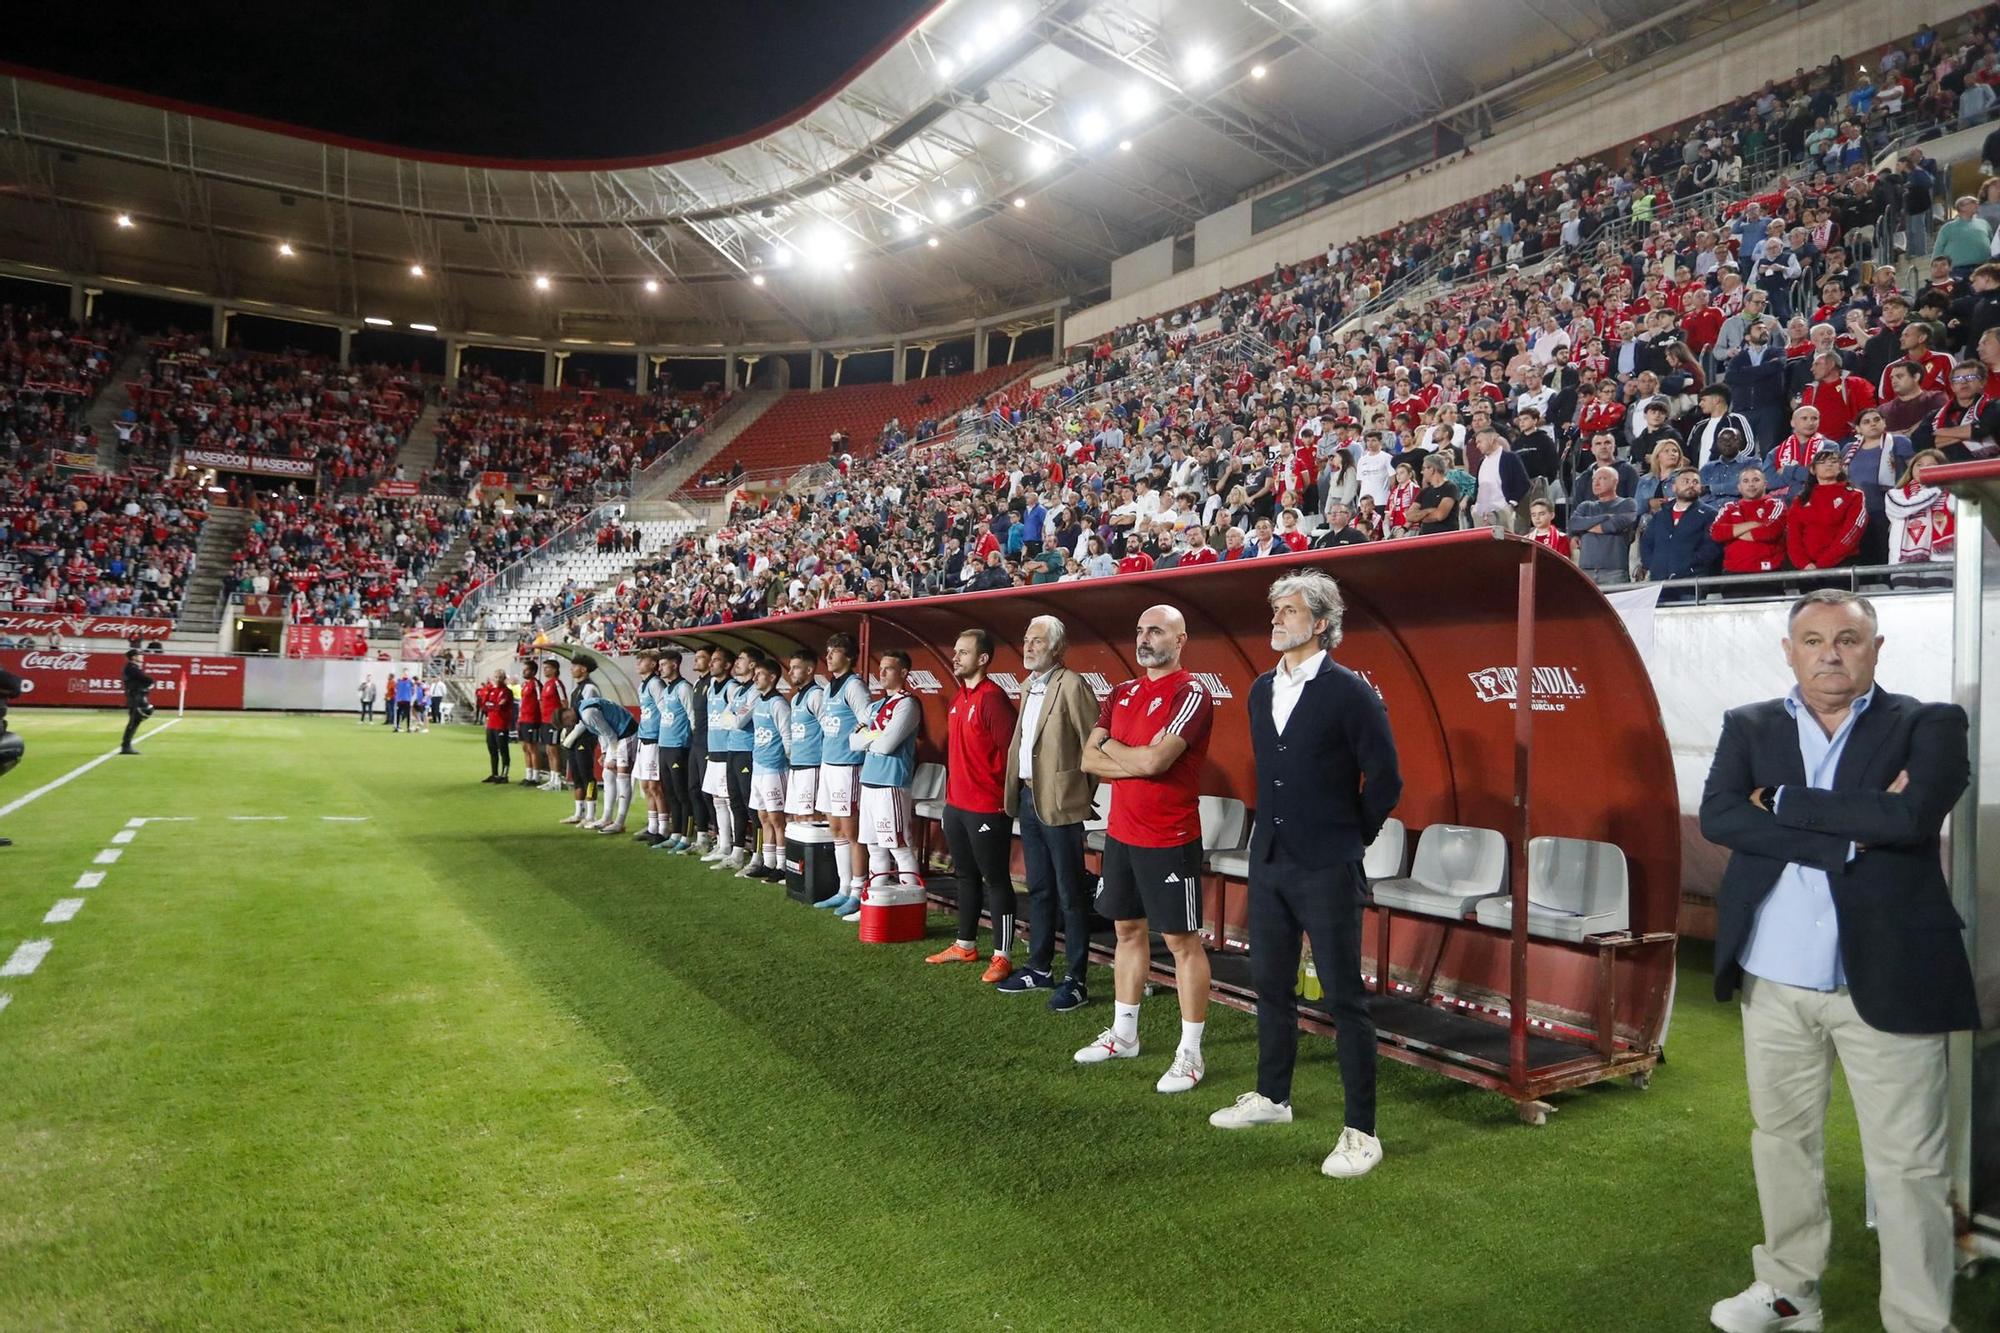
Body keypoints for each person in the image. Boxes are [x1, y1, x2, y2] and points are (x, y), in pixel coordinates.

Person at [1700, 591, 1976, 1333]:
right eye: (1814, 639)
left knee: (1909, 1165)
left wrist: (1781, 800)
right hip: (1774, 979)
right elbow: (1721, 815)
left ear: (1876, 649)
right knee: (1782, 1141)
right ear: (1788, 651)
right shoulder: (1748, 724)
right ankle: (1790, 1289)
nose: (1831, 652)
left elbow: (1913, 816)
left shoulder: (1929, 723)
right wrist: (1850, 830)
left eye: (1848, 638)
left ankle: (1919, 1319)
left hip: (1888, 976)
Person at [1208, 574, 1401, 1180]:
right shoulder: (1261, 688)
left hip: (1328, 864)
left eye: (1289, 611)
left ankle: (1361, 1132)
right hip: (1269, 860)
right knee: (1270, 984)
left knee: (1344, 999)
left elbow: (1386, 781)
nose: (1276, 619)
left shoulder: (1350, 692)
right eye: (1275, 609)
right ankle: (1272, 1097)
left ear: (1321, 623)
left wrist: (1349, 839)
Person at [1075, 605, 1216, 1095]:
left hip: (1170, 839)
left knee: (1181, 942)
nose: (1144, 638)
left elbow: (1159, 761)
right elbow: (1088, 757)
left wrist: (1119, 752)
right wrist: (1130, 757)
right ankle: (1125, 1034)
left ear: (1180, 640)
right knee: (1127, 931)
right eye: (1139, 630)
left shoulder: (1190, 694)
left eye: (1155, 631)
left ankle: (1190, 1052)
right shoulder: (1119, 692)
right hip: (1122, 835)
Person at [996, 614, 1101, 1012]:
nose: (1029, 646)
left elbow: (1095, 744)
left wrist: (1076, 795)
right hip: (1027, 797)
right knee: (1038, 888)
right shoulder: (1028, 686)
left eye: (1038, 641)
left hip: (1060, 803)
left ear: (1057, 648)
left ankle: (1076, 978)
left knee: (1071, 894)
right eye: (1026, 639)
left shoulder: (1072, 685)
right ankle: (1039, 967)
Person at [928, 628, 1020, 980]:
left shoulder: (992, 698)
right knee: (965, 875)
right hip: (956, 805)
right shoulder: (959, 698)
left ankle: (1003, 954)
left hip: (987, 807)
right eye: (955, 651)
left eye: (963, 652)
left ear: (983, 659)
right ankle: (965, 944)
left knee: (996, 879)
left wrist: (1003, 798)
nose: (955, 657)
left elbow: (1011, 752)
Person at [847, 649, 926, 925]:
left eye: (888, 669)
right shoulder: (875, 707)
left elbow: (886, 744)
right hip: (869, 782)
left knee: (899, 847)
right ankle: (875, 906)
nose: (881, 674)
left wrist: (871, 737)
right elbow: (852, 741)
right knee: (874, 848)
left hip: (891, 784)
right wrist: (874, 737)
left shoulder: (908, 705)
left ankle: (910, 908)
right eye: (880, 668)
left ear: (903, 673)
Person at [813, 634, 878, 915]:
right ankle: (843, 888)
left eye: (835, 651)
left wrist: (854, 743)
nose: (828, 656)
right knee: (836, 829)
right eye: (827, 651)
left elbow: (869, 718)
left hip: (848, 766)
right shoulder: (828, 688)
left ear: (849, 657)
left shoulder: (854, 686)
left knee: (852, 832)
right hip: (829, 763)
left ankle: (858, 890)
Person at [739, 654, 792, 880]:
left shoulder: (778, 703)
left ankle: (782, 866)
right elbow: (739, 722)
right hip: (758, 766)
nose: (755, 678)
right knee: (762, 816)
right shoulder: (759, 700)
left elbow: (787, 737)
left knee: (777, 818)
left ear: (772, 677)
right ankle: (769, 862)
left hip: (774, 767)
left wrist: (788, 764)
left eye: (760, 674)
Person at [563, 656, 629, 833]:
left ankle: (591, 814)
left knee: (587, 775)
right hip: (577, 736)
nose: (571, 669)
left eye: (575, 666)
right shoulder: (576, 689)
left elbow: (589, 718)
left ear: (584, 669)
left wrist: (572, 736)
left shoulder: (590, 688)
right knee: (576, 774)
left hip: (585, 737)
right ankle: (579, 812)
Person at [1784, 449, 1867, 577]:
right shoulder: (1800, 500)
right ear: (1813, 469)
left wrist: (1823, 564)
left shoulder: (1854, 495)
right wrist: (1803, 564)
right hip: (1807, 570)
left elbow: (1852, 532)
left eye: (1833, 461)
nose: (1829, 465)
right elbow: (1793, 536)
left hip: (1841, 565)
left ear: (1840, 467)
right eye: (1822, 462)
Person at [650, 650, 699, 852]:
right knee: (670, 793)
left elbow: (692, 717)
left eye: (663, 664)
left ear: (675, 665)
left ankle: (687, 837)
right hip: (665, 747)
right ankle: (675, 833)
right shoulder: (668, 689)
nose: (659, 668)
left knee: (682, 794)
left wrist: (692, 744)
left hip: (679, 748)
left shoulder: (684, 688)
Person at [1709, 465, 1788, 579]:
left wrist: (1733, 533)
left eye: (1756, 480)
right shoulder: (1729, 507)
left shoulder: (1775, 504)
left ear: (1765, 484)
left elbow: (1770, 532)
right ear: (1739, 487)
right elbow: (1716, 533)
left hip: (1767, 573)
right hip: (1732, 573)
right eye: (1746, 481)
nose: (1751, 484)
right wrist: (1752, 525)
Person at [1566, 465, 1639, 586]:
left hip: (1614, 571)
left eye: (1602, 478)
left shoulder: (1627, 504)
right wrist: (1604, 517)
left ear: (1615, 482)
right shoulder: (1586, 506)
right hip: (1586, 570)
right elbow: (1574, 523)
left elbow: (1612, 526)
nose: (1596, 483)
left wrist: (1586, 526)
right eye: (1594, 479)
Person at [631, 650, 671, 845]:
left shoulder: (655, 684)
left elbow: (665, 711)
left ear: (654, 664)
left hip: (654, 740)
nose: (638, 663)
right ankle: (652, 826)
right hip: (644, 739)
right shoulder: (643, 685)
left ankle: (663, 829)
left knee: (655, 786)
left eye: (642, 660)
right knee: (646, 785)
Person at [681, 647, 715, 852]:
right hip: (696, 742)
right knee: (693, 789)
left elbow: (725, 715)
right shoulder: (697, 684)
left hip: (710, 744)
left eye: (701, 657)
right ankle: (701, 836)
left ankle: (717, 836)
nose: (696, 660)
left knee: (709, 793)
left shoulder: (714, 683)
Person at [536, 661, 568, 792]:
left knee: (554, 750)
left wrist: (564, 721)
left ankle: (557, 780)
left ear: (555, 669)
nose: (545, 670)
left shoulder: (556, 683)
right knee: (549, 750)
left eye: (547, 668)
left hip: (553, 722)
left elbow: (564, 701)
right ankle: (552, 779)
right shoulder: (546, 684)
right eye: (544, 668)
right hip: (545, 721)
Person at [477, 670, 514, 783]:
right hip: (491, 724)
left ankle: (504, 775)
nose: (497, 679)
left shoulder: (507, 692)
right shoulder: (492, 691)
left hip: (501, 725)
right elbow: (484, 705)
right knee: (492, 750)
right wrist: (492, 706)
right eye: (496, 677)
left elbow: (500, 706)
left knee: (503, 750)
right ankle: (494, 774)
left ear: (504, 679)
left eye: (500, 677)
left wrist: (492, 705)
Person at [516, 658, 545, 786]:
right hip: (523, 719)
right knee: (525, 748)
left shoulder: (536, 684)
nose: (524, 671)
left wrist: (542, 718)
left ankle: (536, 777)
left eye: (526, 669)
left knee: (533, 747)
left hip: (532, 720)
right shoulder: (525, 685)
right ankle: (528, 775)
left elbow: (541, 701)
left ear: (533, 671)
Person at [120, 649, 155, 754]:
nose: (142, 656)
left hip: (138, 696)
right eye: (140, 655)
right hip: (135, 697)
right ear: (133, 657)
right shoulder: (132, 668)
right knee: (133, 721)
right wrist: (149, 681)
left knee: (137, 720)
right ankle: (126, 746)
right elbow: (146, 679)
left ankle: (127, 745)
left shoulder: (134, 668)